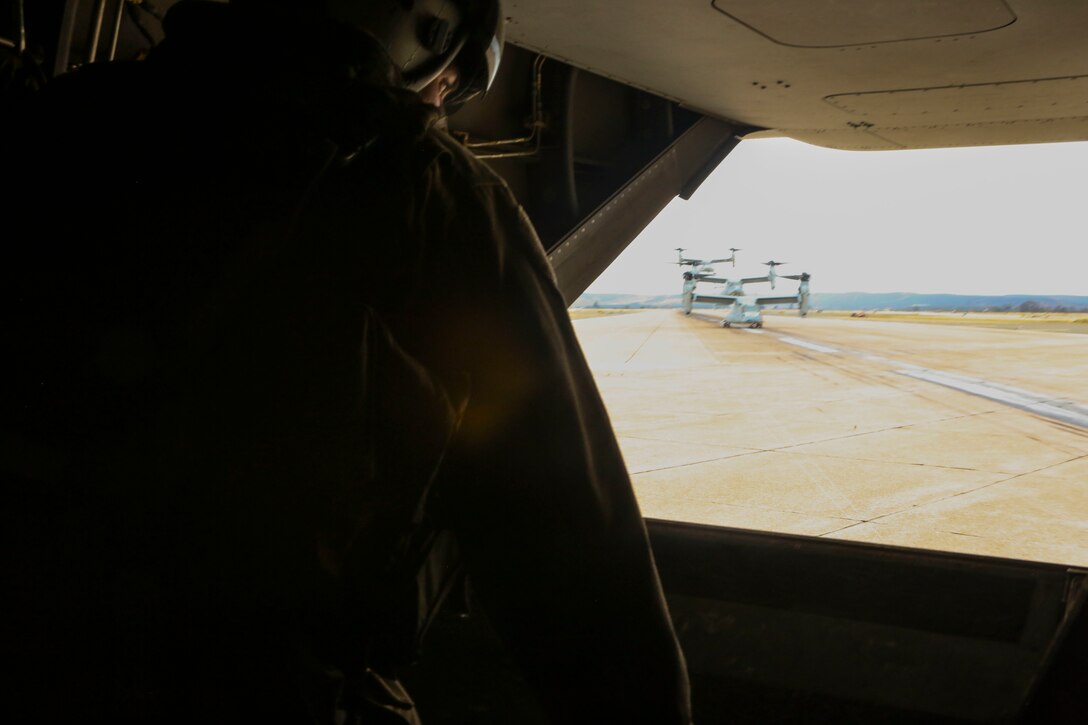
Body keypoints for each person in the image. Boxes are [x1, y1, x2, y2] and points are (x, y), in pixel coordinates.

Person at [3, 1, 692, 722]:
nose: (439, 108)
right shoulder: (428, 188)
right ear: (430, 35)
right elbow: (570, 546)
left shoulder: (52, 124)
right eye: (450, 88)